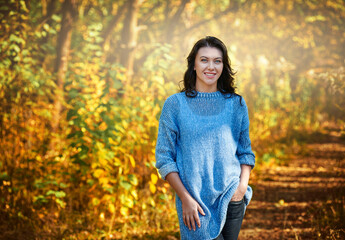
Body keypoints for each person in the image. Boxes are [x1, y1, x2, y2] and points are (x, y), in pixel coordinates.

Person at [155, 36, 255, 240]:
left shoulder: (236, 104)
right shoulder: (175, 105)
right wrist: (185, 198)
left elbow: (245, 152)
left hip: (232, 197)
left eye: (217, 61)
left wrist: (241, 189)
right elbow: (164, 159)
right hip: (194, 204)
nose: (211, 66)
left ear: (223, 66)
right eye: (204, 60)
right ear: (193, 64)